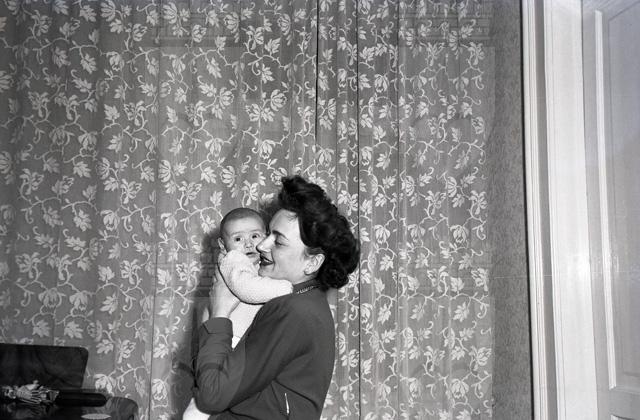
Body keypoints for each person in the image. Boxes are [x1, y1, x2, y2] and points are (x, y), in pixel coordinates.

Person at [192, 175, 360, 419]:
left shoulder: (293, 310)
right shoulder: (305, 302)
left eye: (278, 241)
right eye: (268, 233)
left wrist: (219, 313)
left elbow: (212, 393)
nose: (262, 246)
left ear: (312, 262)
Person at [183, 208, 293, 420]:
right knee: (207, 396)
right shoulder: (233, 260)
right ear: (223, 245)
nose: (248, 244)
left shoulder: (259, 264)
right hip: (230, 339)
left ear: (266, 236)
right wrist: (287, 288)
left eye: (255, 236)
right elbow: (245, 287)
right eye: (238, 239)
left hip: (243, 340)